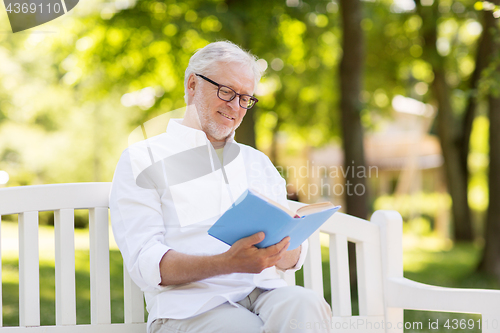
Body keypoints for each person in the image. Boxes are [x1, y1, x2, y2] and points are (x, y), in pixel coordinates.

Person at [110, 41, 332, 333]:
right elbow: (147, 264)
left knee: (306, 304)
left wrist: (283, 247)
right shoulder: (143, 160)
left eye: (245, 98)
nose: (235, 107)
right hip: (190, 307)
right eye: (226, 91)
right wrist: (228, 262)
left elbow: (291, 255)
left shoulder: (258, 163)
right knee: (242, 327)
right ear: (192, 85)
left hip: (264, 294)